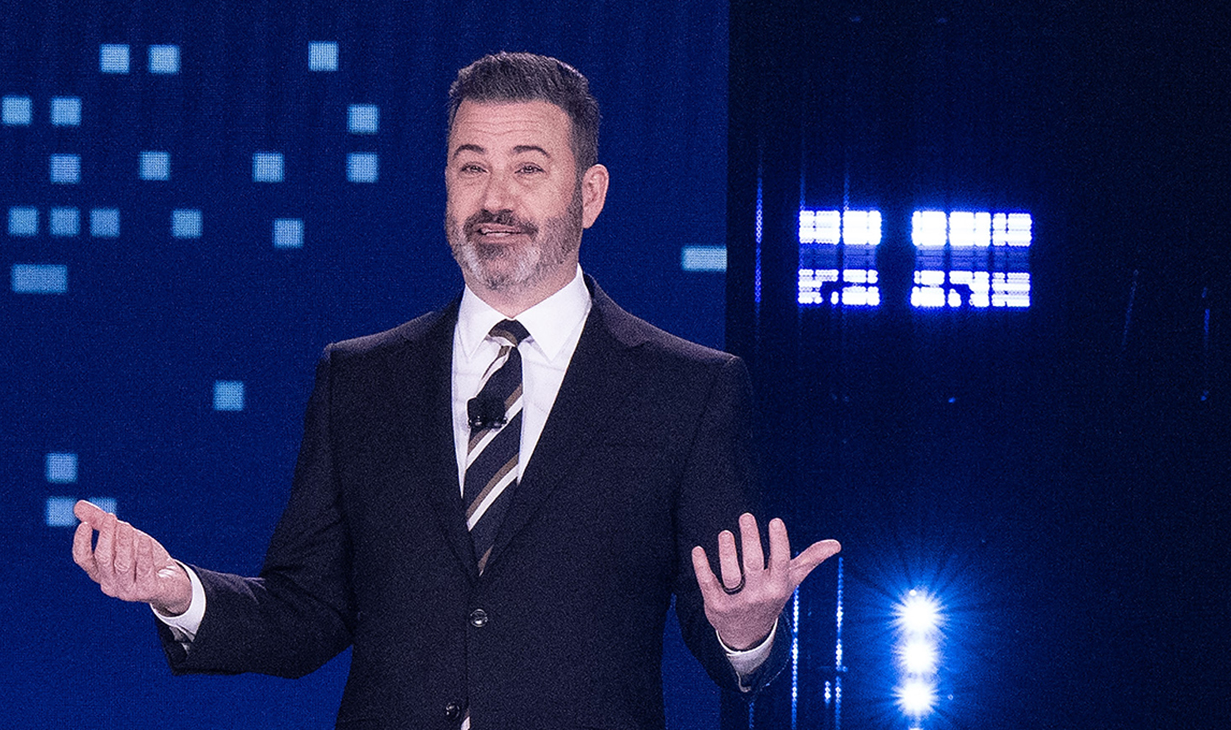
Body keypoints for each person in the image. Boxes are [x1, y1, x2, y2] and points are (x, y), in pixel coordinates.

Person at [72, 52, 840, 729]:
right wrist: (180, 591)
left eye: (528, 168)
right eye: (472, 167)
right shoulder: (360, 379)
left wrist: (747, 631)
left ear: (591, 194)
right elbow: (309, 612)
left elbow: (728, 635)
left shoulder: (689, 390)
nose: (495, 199)